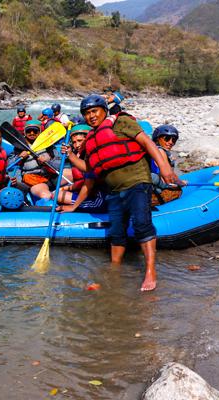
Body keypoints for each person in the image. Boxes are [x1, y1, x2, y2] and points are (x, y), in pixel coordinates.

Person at [63, 94, 179, 292]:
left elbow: (147, 143)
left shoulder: (122, 122)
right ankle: (115, 268)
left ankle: (150, 271)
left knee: (142, 224)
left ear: (104, 110)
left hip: (137, 181)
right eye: (87, 113)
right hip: (114, 189)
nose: (91, 116)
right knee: (117, 231)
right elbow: (89, 168)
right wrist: (71, 156)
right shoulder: (91, 139)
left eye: (94, 111)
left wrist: (165, 167)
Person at [56, 124, 106, 212]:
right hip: (90, 194)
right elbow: (80, 182)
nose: (77, 145)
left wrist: (73, 207)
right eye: (74, 142)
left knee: (57, 196)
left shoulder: (93, 156)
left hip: (98, 201)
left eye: (80, 141)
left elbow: (89, 184)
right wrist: (65, 188)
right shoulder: (80, 156)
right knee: (57, 194)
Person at [12, 119, 58, 201]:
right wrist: (19, 157)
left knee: (69, 174)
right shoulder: (19, 147)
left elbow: (59, 164)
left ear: (40, 132)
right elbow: (10, 165)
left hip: (49, 176)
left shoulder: (49, 145)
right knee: (46, 195)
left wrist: (48, 161)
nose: (32, 133)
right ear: (25, 133)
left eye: (35, 131)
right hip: (33, 179)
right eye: (29, 131)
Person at [150, 124, 183, 205]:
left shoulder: (154, 150)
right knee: (177, 191)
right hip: (152, 189)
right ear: (158, 139)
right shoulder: (160, 151)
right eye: (167, 138)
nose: (170, 142)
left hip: (152, 186)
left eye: (174, 140)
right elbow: (168, 176)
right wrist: (180, 183)